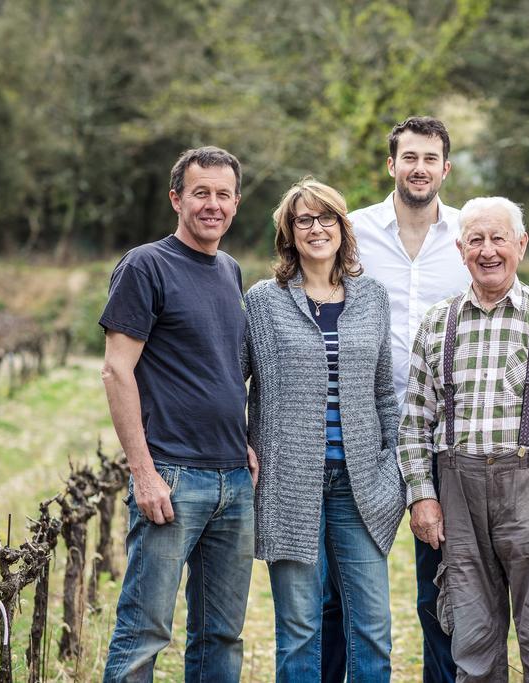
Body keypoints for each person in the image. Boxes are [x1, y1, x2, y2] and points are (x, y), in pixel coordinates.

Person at [398, 197, 529, 683]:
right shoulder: (438, 323)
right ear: (460, 248)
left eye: (499, 239)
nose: (487, 251)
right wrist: (422, 497)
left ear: (521, 245)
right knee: (472, 655)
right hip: (459, 499)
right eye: (476, 240)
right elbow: (413, 425)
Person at [101, 146, 258, 682]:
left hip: (233, 480)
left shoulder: (230, 271)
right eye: (200, 193)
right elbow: (117, 372)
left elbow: (220, 367)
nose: (211, 205)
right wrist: (144, 473)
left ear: (236, 202)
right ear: (177, 199)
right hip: (171, 475)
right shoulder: (145, 265)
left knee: (221, 635)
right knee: (144, 632)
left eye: (222, 194)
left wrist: (244, 441)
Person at [323, 115, 470, 683]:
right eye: (409, 157)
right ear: (391, 164)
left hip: (443, 433)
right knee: (340, 594)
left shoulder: (467, 236)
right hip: (363, 432)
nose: (419, 168)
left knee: (443, 591)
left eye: (430, 159)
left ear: (445, 169)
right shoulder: (351, 233)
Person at [243, 177, 406, 682]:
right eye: (304, 220)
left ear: (343, 226)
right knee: (299, 632)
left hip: (361, 487)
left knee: (373, 628)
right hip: (289, 484)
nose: (317, 228)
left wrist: (392, 465)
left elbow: (384, 393)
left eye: (327, 217)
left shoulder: (372, 298)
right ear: (289, 233)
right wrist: (243, 446)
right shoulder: (263, 303)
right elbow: (234, 382)